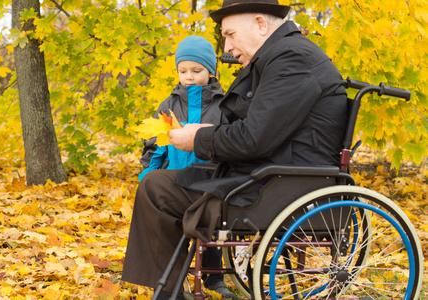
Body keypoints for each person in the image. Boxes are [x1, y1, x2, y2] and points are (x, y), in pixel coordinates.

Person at [121, 0, 348, 299]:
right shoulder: (282, 58)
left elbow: (254, 138)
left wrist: (198, 139)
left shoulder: (291, 60)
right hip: (271, 176)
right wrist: (203, 133)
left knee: (156, 188)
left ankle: (170, 292)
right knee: (160, 181)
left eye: (230, 34)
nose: (226, 46)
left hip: (280, 187)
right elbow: (261, 129)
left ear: (260, 24)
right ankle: (171, 288)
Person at [136, 35, 236, 298]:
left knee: (209, 229)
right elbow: (155, 142)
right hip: (174, 175)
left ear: (211, 71)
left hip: (209, 178)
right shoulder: (170, 105)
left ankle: (214, 279)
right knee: (171, 226)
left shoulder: (222, 105)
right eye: (183, 71)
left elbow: (230, 141)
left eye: (197, 70)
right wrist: (149, 170)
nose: (189, 77)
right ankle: (174, 280)